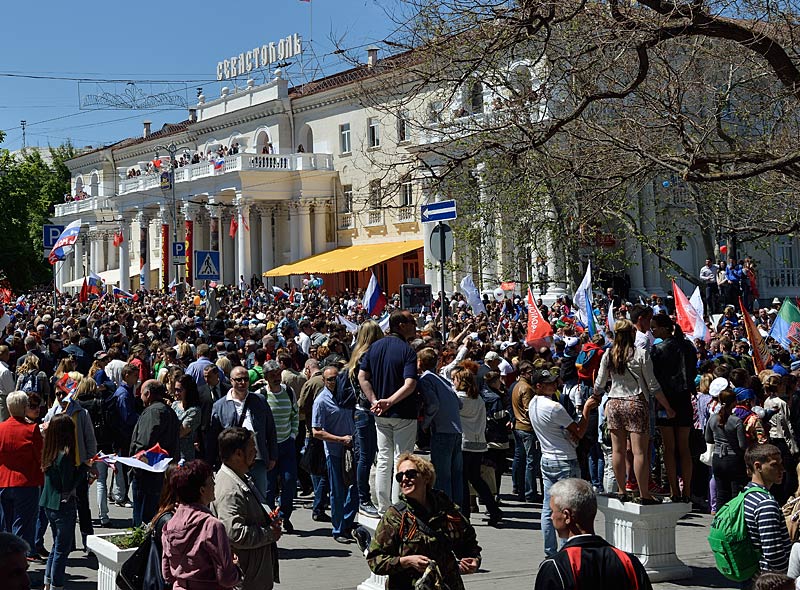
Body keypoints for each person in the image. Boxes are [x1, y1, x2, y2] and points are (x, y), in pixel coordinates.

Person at [366, 453, 482, 590]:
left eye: (410, 474)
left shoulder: (446, 509)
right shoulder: (395, 516)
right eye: (399, 476)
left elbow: (467, 541)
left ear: (426, 477)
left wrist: (473, 560)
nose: (404, 479)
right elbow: (375, 560)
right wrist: (406, 561)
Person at [590, 319, 675, 504]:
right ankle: (644, 494)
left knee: (617, 450)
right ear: (632, 334)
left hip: (614, 402)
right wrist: (667, 407)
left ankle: (621, 490)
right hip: (635, 402)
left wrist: (595, 397)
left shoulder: (608, 354)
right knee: (639, 452)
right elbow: (653, 385)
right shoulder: (640, 354)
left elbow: (599, 383)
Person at [533, 478, 652, 590]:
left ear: (567, 516)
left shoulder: (556, 566)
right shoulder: (629, 562)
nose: (551, 516)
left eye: (553, 511)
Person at [358, 310, 419, 513]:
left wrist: (375, 401)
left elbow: (362, 377)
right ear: (400, 325)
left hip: (381, 414)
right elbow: (410, 384)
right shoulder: (407, 351)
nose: (414, 325)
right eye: (411, 321)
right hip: (403, 412)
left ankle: (383, 506)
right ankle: (398, 504)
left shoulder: (374, 348)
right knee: (401, 458)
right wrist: (389, 402)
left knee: (384, 458)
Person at [528, 369, 592, 556]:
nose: (554, 385)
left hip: (547, 458)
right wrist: (587, 409)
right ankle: (568, 550)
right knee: (571, 509)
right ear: (538, 386)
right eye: (549, 383)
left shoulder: (533, 404)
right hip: (564, 459)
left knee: (548, 509)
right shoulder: (554, 407)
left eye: (554, 382)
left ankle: (550, 552)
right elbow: (579, 431)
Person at [212, 427, 282, 590]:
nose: (256, 452)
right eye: (252, 448)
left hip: (255, 574)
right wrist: (269, 533)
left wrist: (268, 518)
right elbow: (234, 533)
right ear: (238, 454)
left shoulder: (241, 477)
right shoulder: (230, 490)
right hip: (247, 577)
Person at [161, 460, 242, 590]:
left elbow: (167, 575)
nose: (215, 484)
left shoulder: (169, 525)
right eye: (211, 481)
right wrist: (235, 568)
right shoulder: (212, 526)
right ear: (202, 490)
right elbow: (226, 578)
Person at [208, 366, 278, 498]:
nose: (242, 383)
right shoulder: (220, 405)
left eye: (246, 379)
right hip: (233, 460)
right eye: (238, 380)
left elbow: (270, 429)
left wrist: (273, 456)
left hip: (257, 458)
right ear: (231, 381)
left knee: (261, 497)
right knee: (235, 495)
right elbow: (214, 436)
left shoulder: (260, 400)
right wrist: (212, 462)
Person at [650, 314, 697, 503]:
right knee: (683, 448)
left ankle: (674, 491)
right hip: (684, 399)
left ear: (664, 328)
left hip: (665, 401)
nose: (652, 330)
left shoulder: (658, 349)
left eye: (654, 327)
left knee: (669, 449)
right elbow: (693, 371)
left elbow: (655, 376)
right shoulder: (689, 347)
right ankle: (686, 492)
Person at [40, 413, 88, 590]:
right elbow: (68, 484)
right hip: (63, 504)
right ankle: (56, 585)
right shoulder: (65, 454)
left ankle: (48, 581)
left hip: (49, 503)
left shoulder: (49, 450)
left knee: (56, 545)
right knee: (62, 549)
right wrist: (84, 468)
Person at [312, 366, 358, 543]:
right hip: (335, 451)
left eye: (335, 378)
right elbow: (316, 431)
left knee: (356, 489)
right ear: (324, 381)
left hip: (352, 450)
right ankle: (338, 529)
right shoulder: (321, 401)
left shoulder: (346, 395)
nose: (333, 381)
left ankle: (346, 522)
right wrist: (340, 439)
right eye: (330, 379)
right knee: (338, 492)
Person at [452, 366, 502, 526]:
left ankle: (464, 513)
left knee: (463, 480)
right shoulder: (478, 399)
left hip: (465, 443)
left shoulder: (458, 399)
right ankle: (493, 509)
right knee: (476, 479)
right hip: (479, 443)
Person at [129, 380, 180, 526]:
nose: (140, 397)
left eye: (142, 393)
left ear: (148, 393)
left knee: (144, 519)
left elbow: (144, 444)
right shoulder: (168, 411)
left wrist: (135, 468)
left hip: (148, 474)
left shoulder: (153, 412)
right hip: (161, 473)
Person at [345, 320, 383, 517]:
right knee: (367, 458)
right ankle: (364, 498)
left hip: (362, 410)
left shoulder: (356, 355)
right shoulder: (367, 357)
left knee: (369, 457)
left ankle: (368, 497)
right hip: (368, 410)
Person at [0, 392, 44, 559]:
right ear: (24, 407)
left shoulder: (1, 428)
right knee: (22, 525)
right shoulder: (31, 429)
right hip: (26, 482)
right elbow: (40, 456)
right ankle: (17, 563)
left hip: (3, 482)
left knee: (7, 526)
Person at [418, 347, 463, 507]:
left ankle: (444, 510)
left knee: (442, 476)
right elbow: (459, 403)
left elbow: (433, 404)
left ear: (420, 362)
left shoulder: (426, 380)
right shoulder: (442, 379)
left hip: (442, 431)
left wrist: (425, 423)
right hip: (456, 430)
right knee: (456, 475)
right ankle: (458, 510)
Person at [259, 359, 299, 532]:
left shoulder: (289, 392)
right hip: (268, 448)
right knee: (269, 487)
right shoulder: (261, 395)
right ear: (266, 377)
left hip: (287, 444)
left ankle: (284, 515)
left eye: (277, 374)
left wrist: (293, 435)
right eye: (272, 375)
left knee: (289, 481)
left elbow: (295, 414)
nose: (276, 378)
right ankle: (270, 518)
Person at [742, 444, 790, 579]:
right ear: (758, 467)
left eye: (781, 464)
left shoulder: (746, 494)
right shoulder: (766, 503)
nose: (782, 469)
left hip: (752, 575)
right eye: (775, 465)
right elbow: (773, 553)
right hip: (768, 579)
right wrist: (788, 576)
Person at [705, 387, 748, 508]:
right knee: (735, 494)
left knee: (721, 494)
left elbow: (708, 439)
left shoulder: (712, 418)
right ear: (734, 403)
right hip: (734, 460)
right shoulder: (736, 421)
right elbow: (742, 445)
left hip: (718, 459)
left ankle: (720, 522)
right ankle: (734, 523)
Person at [512, 360, 542, 503]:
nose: (532, 375)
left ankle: (520, 489)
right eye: (530, 373)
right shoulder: (526, 388)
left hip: (519, 427)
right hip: (527, 428)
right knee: (531, 462)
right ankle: (530, 492)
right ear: (523, 373)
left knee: (521, 460)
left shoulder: (517, 385)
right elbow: (529, 409)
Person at [172, 374, 202, 461]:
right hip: (172, 451)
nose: (176, 393)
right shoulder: (175, 405)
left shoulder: (194, 411)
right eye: (175, 390)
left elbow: (181, 432)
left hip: (184, 455)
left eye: (179, 390)